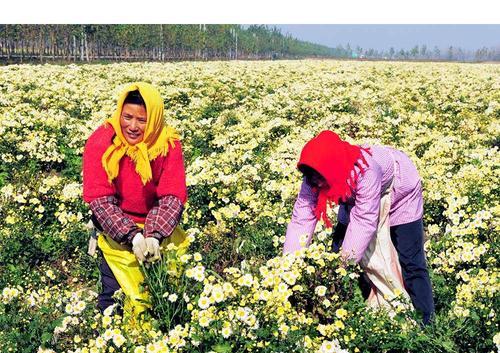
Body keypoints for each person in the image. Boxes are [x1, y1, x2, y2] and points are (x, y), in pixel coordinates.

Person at [283, 130, 434, 324]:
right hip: (354, 196)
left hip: (401, 191)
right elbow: (301, 220)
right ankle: (354, 311)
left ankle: (426, 322)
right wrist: (289, 267)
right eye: (311, 178)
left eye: (319, 178)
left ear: (332, 167)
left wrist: (343, 266)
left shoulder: (366, 170)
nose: (316, 183)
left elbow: (363, 221)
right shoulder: (313, 177)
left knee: (410, 260)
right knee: (337, 250)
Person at [82, 82, 187, 315]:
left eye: (142, 120)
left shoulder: (167, 144)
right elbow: (100, 200)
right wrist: (133, 237)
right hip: (115, 231)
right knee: (115, 296)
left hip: (158, 228)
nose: (132, 126)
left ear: (155, 120)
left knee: (167, 292)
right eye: (127, 117)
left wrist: (154, 235)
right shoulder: (102, 142)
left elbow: (171, 196)